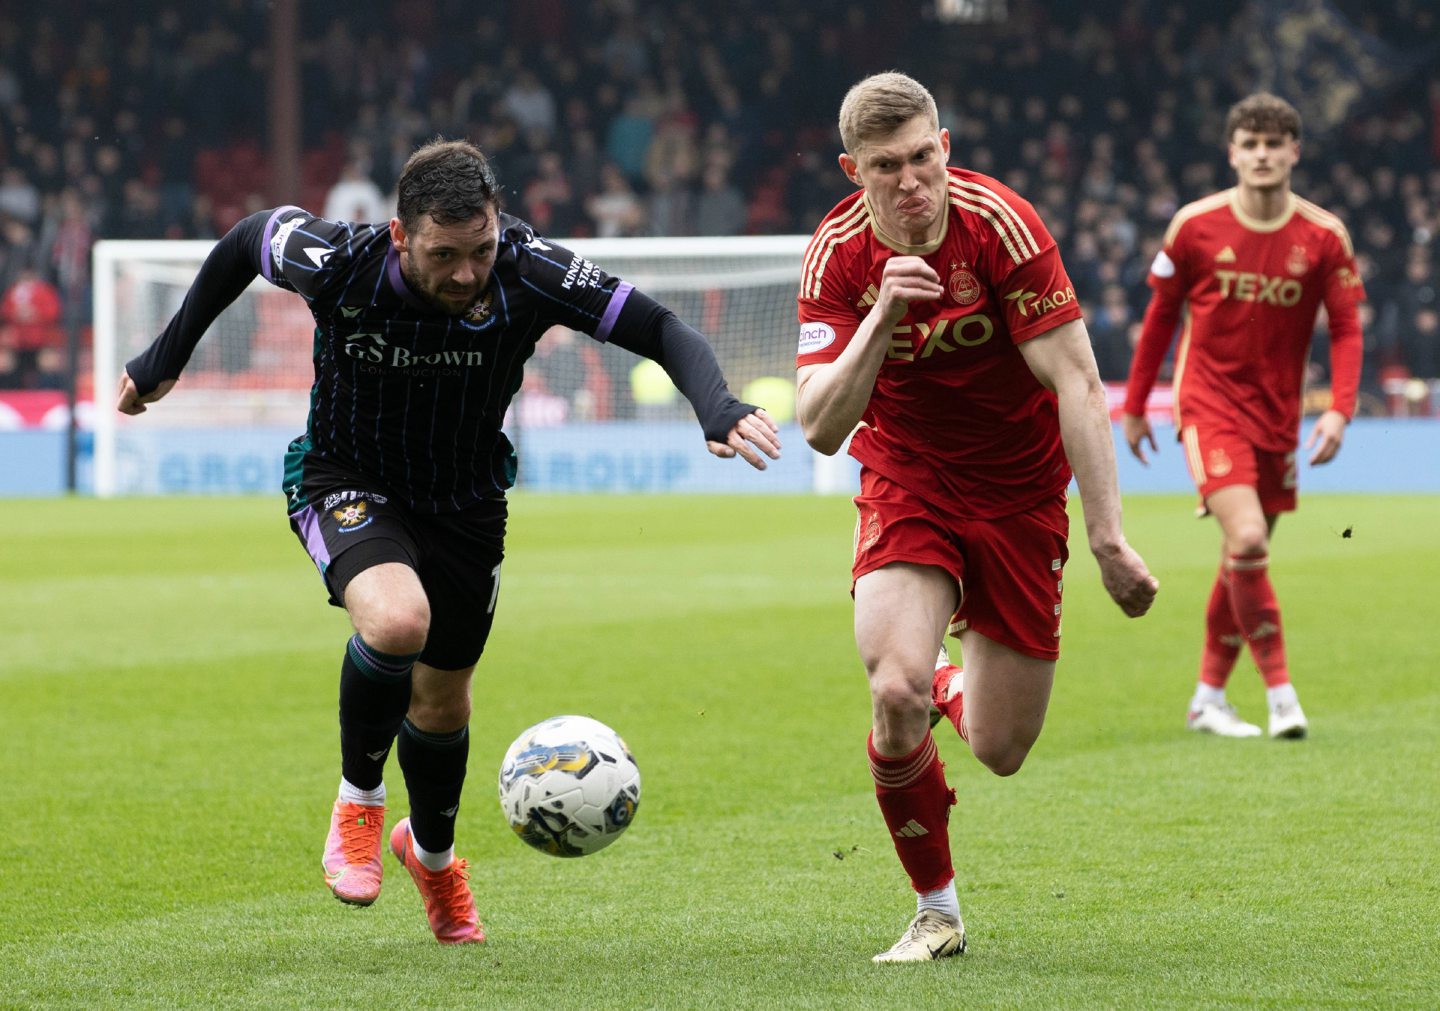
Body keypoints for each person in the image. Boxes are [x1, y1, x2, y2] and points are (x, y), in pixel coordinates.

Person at [118, 139, 781, 945]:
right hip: (345, 477)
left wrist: (715, 405)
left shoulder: (531, 269)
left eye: (481, 250)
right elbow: (248, 237)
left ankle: (432, 858)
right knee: (397, 621)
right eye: (445, 254)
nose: (468, 274)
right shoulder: (339, 260)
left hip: (467, 503)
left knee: (441, 702)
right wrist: (163, 359)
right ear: (400, 236)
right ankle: (360, 803)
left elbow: (661, 326)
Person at [794, 73, 1157, 963]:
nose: (913, 181)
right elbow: (822, 428)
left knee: (1000, 747)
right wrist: (883, 310)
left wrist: (1108, 537)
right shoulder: (837, 256)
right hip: (909, 482)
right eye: (888, 166)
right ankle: (937, 910)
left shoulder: (1002, 225)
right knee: (891, 689)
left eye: (925, 157)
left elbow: (1075, 380)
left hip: (1021, 493)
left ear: (945, 146)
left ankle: (951, 685)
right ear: (854, 171)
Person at [1122, 93, 1365, 741]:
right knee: (1251, 539)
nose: (1261, 155)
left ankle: (1207, 697)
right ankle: (1283, 694)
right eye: (1249, 144)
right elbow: (1160, 320)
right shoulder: (1193, 226)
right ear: (1232, 153)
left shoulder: (1323, 236)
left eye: (1273, 143)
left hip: (1279, 417)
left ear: (1294, 151)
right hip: (1206, 404)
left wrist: (1340, 410)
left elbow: (1345, 327)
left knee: (1241, 557)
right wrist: (1139, 402)